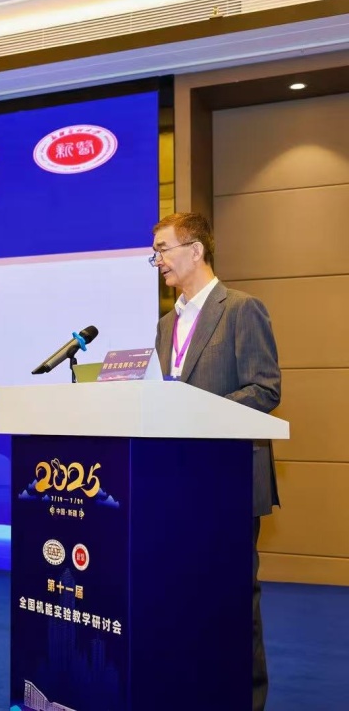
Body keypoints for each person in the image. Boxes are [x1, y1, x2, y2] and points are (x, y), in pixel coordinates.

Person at [150, 211, 281, 711]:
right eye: (155, 253)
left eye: (163, 249)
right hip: (179, 482)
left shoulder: (242, 309)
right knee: (187, 596)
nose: (158, 261)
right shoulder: (166, 325)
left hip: (229, 479)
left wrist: (196, 413)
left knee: (235, 599)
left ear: (196, 250)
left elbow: (265, 390)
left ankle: (247, 701)